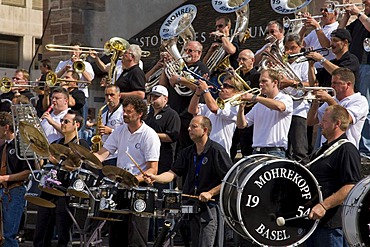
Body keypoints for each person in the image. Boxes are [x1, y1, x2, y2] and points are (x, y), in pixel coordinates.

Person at [145, 115, 233, 246]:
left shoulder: (216, 151)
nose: (189, 128)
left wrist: (210, 193)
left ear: (205, 130)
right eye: (189, 126)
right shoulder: (187, 152)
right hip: (192, 205)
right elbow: (173, 173)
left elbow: (229, 180)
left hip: (210, 208)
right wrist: (156, 178)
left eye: (194, 126)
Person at [94, 96, 160, 246]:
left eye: (129, 112)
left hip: (140, 189)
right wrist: (85, 157)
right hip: (121, 186)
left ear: (139, 114)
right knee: (117, 234)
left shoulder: (149, 135)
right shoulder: (120, 131)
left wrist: (136, 178)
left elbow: (153, 168)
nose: (124, 114)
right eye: (124, 111)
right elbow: (103, 153)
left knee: (137, 237)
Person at [305, 105, 361, 247]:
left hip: (331, 225)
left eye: (324, 120)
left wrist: (324, 206)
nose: (320, 124)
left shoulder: (347, 149)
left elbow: (351, 186)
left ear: (337, 123)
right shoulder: (321, 150)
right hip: (313, 222)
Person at [34, 110, 89, 247]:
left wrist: (58, 162)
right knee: (41, 232)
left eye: (66, 121)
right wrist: (39, 156)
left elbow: (82, 169)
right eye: (62, 121)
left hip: (65, 192)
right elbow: (44, 166)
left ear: (76, 125)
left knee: (63, 235)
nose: (62, 124)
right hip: (48, 189)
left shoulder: (81, 145)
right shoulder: (57, 143)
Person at [160, 40, 209, 150]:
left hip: (187, 113)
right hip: (173, 110)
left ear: (199, 53)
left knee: (186, 147)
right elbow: (162, 86)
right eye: (186, 50)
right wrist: (165, 67)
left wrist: (180, 79)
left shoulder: (202, 68)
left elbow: (199, 87)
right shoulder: (178, 66)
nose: (187, 53)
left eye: (191, 51)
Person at [236, 69, 293, 158]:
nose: (260, 84)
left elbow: (280, 107)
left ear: (274, 82)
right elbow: (241, 125)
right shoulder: (259, 105)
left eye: (264, 81)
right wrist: (241, 108)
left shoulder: (285, 98)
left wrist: (255, 97)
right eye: (260, 81)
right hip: (256, 151)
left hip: (274, 151)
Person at [307, 67, 368, 148]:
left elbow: (345, 119)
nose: (332, 86)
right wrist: (315, 101)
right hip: (326, 148)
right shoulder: (332, 100)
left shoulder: (359, 100)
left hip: (345, 149)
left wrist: (328, 99)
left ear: (348, 84)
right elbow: (311, 121)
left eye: (336, 83)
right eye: (332, 83)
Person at [339, 0, 370, 156]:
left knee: (366, 106)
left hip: (368, 66)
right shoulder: (359, 21)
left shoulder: (364, 18)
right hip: (357, 66)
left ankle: (365, 149)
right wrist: (345, 16)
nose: (365, 2)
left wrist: (358, 13)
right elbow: (339, 33)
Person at [188, 75, 243, 156]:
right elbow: (192, 110)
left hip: (220, 151)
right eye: (223, 85)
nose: (222, 87)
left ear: (236, 92)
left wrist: (206, 90)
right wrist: (198, 93)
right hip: (204, 148)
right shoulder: (214, 103)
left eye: (227, 86)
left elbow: (214, 108)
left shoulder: (234, 107)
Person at [0, 111, 31, 247]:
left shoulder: (20, 146)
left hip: (15, 190)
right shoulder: (3, 147)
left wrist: (5, 177)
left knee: (9, 234)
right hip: (3, 190)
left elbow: (28, 171)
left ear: (6, 127)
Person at [281, 34, 311, 164]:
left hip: (299, 109)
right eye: (286, 48)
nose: (289, 52)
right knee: (284, 147)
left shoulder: (304, 62)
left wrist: (290, 83)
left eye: (293, 48)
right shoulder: (282, 62)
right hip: (282, 109)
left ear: (300, 47)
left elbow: (310, 84)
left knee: (299, 148)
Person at [231, 49, 261, 158]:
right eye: (239, 59)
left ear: (252, 60)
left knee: (247, 147)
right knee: (231, 145)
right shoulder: (237, 76)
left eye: (244, 59)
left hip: (249, 115)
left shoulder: (257, 76)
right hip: (236, 115)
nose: (240, 62)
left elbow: (258, 94)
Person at [299, 4, 338, 69]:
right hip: (311, 68)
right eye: (321, 10)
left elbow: (327, 47)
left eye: (326, 10)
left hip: (324, 68)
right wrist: (304, 27)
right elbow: (301, 44)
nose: (322, 12)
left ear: (335, 13)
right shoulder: (317, 30)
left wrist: (317, 27)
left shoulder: (337, 28)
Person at [97, 84, 124, 165]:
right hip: (104, 153)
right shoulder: (103, 114)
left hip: (116, 155)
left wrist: (111, 131)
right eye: (106, 95)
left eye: (112, 95)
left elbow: (127, 133)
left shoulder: (123, 113)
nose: (109, 98)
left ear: (119, 96)